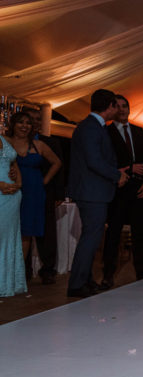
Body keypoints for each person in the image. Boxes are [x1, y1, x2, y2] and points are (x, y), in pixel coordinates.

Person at [67, 90, 127, 298]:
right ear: (110, 106)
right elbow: (94, 161)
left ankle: (86, 280)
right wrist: (116, 175)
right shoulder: (91, 127)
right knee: (91, 237)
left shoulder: (92, 126)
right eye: (116, 106)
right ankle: (77, 284)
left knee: (91, 237)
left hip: (93, 190)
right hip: (92, 191)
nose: (118, 110)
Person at [100, 95, 143, 288]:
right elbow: (105, 161)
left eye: (125, 106)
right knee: (113, 234)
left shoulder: (139, 131)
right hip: (117, 190)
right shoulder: (106, 132)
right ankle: (108, 274)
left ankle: (142, 270)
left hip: (139, 190)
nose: (122, 109)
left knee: (139, 233)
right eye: (118, 106)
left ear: (129, 109)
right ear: (113, 109)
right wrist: (129, 168)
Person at [8, 112, 62, 277]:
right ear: (13, 124)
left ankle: (18, 273)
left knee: (26, 231)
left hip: (33, 193)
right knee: (9, 231)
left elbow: (57, 162)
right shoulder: (5, 142)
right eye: (20, 122)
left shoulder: (39, 145)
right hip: (11, 191)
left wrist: (44, 181)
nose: (24, 126)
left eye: (28, 123)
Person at [25, 107, 65, 285]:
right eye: (30, 118)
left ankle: (48, 270)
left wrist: (59, 193)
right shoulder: (13, 142)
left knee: (47, 232)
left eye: (37, 119)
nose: (34, 122)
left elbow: (59, 168)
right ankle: (24, 270)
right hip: (21, 193)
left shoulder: (50, 142)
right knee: (23, 232)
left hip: (45, 192)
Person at [0, 135, 25, 297]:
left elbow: (14, 164)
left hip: (12, 196)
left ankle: (6, 283)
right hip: (1, 192)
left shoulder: (5, 140)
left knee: (9, 239)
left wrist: (18, 183)